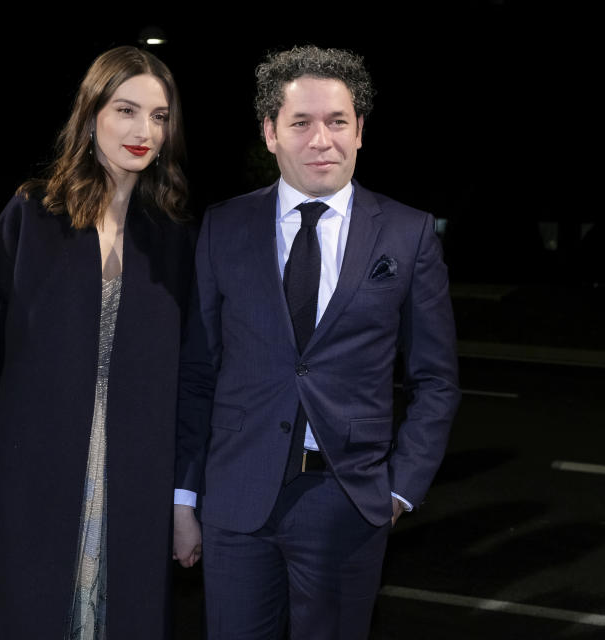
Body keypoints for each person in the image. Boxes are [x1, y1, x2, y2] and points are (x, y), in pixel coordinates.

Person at [173, 45, 461, 639]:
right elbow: (198, 372)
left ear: (360, 131)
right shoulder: (223, 227)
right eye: (300, 122)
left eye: (337, 121)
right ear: (270, 132)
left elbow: (435, 379)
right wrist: (184, 496)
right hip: (235, 500)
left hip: (348, 502)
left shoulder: (408, 235)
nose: (320, 139)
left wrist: (401, 488)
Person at [0, 46, 193, 639]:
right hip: (29, 482)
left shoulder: (174, 238)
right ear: (91, 111)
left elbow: (190, 386)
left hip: (135, 489)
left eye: (158, 116)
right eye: (126, 110)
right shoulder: (33, 215)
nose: (142, 131)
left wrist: (184, 502)